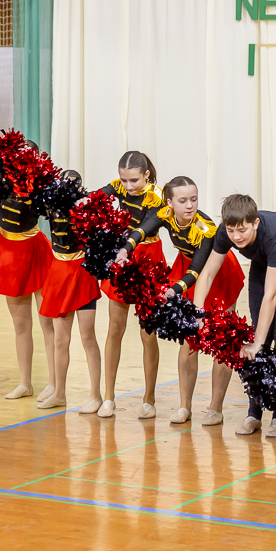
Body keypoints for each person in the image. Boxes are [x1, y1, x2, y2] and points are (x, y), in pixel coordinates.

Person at [191, 194, 276, 436]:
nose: (236, 236)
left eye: (242, 230)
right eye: (231, 230)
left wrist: (258, 343)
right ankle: (254, 412)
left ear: (255, 223)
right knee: (257, 331)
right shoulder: (226, 232)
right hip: (263, 260)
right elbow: (207, 274)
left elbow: (271, 296)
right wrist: (198, 311)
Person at [124, 176, 215, 424]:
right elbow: (142, 229)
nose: (190, 205)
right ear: (170, 202)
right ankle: (184, 407)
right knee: (185, 342)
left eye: (194, 199)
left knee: (207, 339)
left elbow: (198, 271)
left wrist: (175, 289)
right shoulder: (165, 213)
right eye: (183, 200)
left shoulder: (206, 228)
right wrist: (126, 249)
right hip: (184, 269)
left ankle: (214, 407)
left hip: (212, 273)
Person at [99, 152, 164, 419]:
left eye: (134, 180)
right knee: (115, 327)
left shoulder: (158, 196)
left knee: (148, 333)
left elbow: (148, 226)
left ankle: (149, 397)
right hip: (122, 258)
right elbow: (94, 198)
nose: (127, 187)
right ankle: (108, 396)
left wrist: (127, 246)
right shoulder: (118, 186)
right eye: (123, 180)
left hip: (147, 257)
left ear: (147, 174)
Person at [0, 167, 55, 403]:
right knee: (21, 325)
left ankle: (54, 383)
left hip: (35, 250)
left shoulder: (39, 190)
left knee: (48, 323)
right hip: (9, 253)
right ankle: (25, 383)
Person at [39, 171, 103, 412]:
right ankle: (59, 393)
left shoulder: (87, 208)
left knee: (88, 337)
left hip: (81, 272)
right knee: (59, 339)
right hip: (59, 270)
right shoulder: (49, 203)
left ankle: (95, 395)